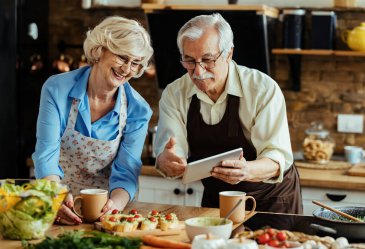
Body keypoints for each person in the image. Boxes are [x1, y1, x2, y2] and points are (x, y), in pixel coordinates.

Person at [154, 13, 302, 214]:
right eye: (189, 60)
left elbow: (277, 158)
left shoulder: (262, 89)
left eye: (207, 59)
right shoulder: (174, 94)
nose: (198, 72)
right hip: (217, 200)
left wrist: (246, 170)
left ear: (229, 54)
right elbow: (172, 152)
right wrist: (167, 162)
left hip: (272, 201)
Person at [32, 16, 153, 225]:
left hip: (106, 215)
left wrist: (114, 206)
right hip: (59, 203)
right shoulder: (56, 89)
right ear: (99, 50)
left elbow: (126, 171)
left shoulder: (138, 110)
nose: (127, 69)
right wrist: (55, 197)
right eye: (122, 57)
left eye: (135, 63)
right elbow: (46, 153)